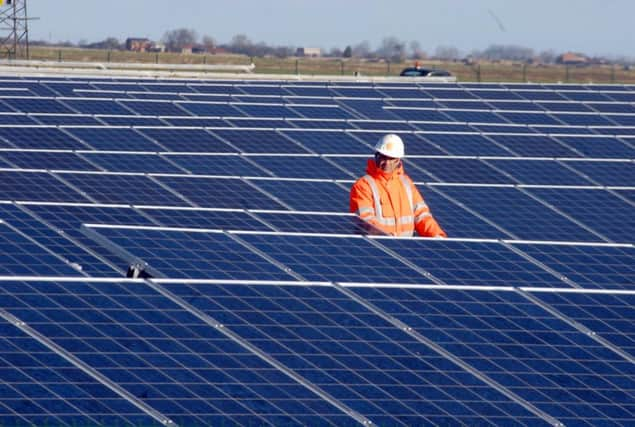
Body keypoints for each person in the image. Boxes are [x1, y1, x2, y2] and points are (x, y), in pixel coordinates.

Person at [350, 134, 447, 237]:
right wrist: (388, 239)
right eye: (383, 157)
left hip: (406, 250)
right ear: (376, 156)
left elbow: (421, 216)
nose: (387, 163)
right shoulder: (363, 186)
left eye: (391, 158)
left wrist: (438, 237)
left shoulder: (406, 183)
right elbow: (366, 221)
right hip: (377, 248)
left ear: (398, 160)